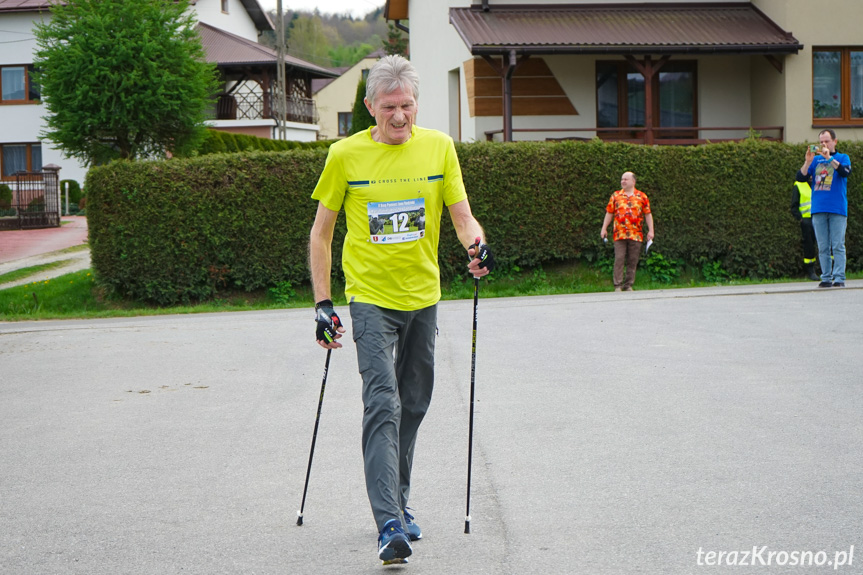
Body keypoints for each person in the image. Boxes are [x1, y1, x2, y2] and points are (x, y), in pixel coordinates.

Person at [308, 55, 494, 565]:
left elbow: (462, 218)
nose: (398, 116)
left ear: (416, 105)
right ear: (370, 107)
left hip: (423, 298)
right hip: (369, 299)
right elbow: (322, 234)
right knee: (383, 402)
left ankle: (400, 502)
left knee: (412, 405)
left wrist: (477, 246)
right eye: (388, 106)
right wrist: (323, 303)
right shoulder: (344, 156)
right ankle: (389, 522)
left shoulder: (439, 148)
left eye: (406, 105)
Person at [796, 129, 852, 288]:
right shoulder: (816, 161)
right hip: (819, 208)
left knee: (837, 245)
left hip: (837, 208)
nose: (823, 144)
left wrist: (829, 158)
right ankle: (826, 277)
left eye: (826, 141)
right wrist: (807, 162)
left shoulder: (842, 158)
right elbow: (800, 177)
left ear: (835, 141)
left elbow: (845, 172)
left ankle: (839, 277)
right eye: (821, 142)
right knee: (823, 245)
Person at [600, 171, 655, 291]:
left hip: (636, 234)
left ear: (633, 182)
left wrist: (651, 231)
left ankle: (628, 284)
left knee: (633, 259)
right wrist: (604, 228)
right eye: (622, 179)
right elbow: (609, 213)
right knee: (619, 258)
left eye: (626, 179)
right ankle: (617, 285)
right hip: (619, 233)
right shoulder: (615, 196)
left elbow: (648, 214)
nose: (623, 181)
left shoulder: (642, 196)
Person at [789, 175, 820, 281]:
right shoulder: (799, 185)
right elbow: (794, 206)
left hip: (821, 217)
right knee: (809, 245)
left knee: (825, 243)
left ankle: (828, 270)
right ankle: (810, 270)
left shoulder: (820, 182)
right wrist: (801, 219)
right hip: (807, 220)